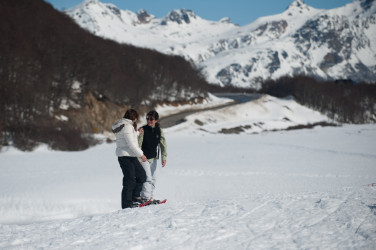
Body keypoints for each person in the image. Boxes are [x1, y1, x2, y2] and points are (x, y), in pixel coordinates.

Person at [112, 109, 148, 209]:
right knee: (130, 180)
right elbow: (131, 144)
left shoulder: (127, 126)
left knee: (141, 175)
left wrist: (137, 133)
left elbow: (129, 137)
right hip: (125, 157)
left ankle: (135, 197)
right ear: (134, 118)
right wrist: (141, 155)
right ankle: (126, 204)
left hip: (131, 156)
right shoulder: (127, 126)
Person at [138, 110, 167, 203]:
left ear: (156, 120)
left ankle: (150, 197)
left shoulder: (159, 130)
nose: (149, 121)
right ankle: (145, 198)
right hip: (144, 158)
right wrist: (139, 157)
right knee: (147, 178)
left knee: (153, 179)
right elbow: (138, 145)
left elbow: (163, 144)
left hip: (154, 158)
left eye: (151, 119)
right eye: (147, 119)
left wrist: (164, 158)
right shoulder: (143, 129)